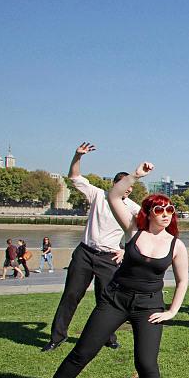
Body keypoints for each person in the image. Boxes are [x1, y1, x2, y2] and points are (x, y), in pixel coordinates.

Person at [24, 161, 189, 378]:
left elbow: (183, 281)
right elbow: (113, 195)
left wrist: (172, 311)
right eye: (160, 209)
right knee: (83, 352)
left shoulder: (176, 245)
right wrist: (135, 175)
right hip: (115, 299)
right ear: (148, 212)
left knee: (146, 362)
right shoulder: (134, 230)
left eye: (170, 209)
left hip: (148, 306)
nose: (166, 213)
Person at [42, 143, 141, 353]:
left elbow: (142, 232)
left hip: (109, 258)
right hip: (85, 254)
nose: (128, 191)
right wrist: (77, 156)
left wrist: (124, 250)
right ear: (115, 184)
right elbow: (74, 177)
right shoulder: (98, 195)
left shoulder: (132, 207)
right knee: (71, 296)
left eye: (131, 189)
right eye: (125, 187)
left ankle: (108, 337)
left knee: (107, 301)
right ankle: (56, 338)